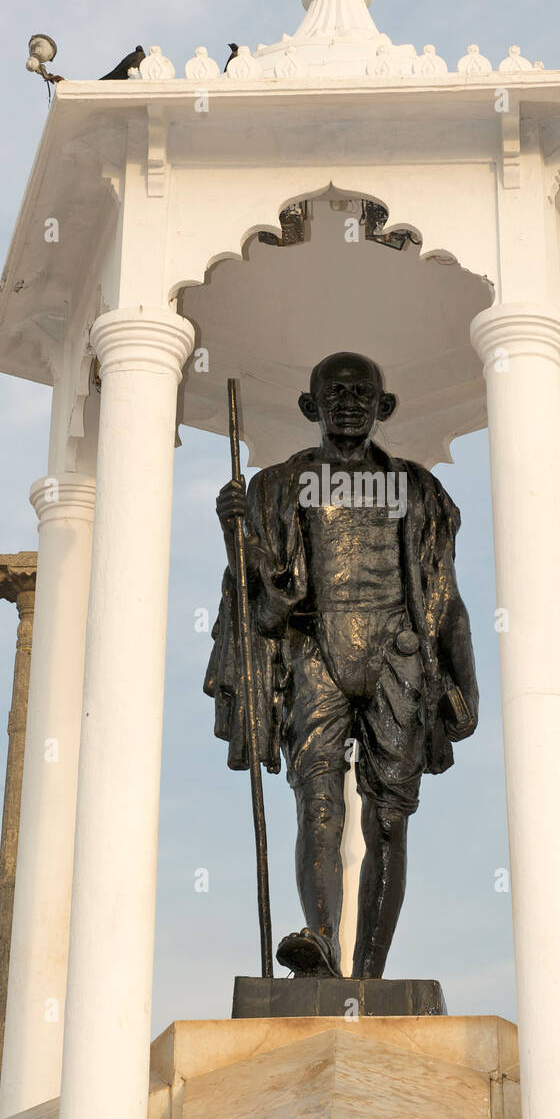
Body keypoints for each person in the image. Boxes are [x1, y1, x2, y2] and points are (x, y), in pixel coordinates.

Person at [205, 352, 478, 978]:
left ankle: (370, 972)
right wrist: (240, 536)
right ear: (310, 407)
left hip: (399, 654)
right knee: (318, 800)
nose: (349, 403)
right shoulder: (274, 487)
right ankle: (321, 943)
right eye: (335, 393)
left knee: (387, 818)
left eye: (363, 394)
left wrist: (464, 679)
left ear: (384, 408)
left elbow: (444, 595)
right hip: (312, 650)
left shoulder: (419, 490)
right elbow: (267, 605)